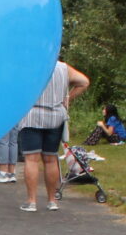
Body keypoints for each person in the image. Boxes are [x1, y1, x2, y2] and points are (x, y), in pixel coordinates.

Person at [17, 60, 89, 212]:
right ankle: (52, 200)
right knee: (51, 159)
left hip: (32, 115)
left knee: (32, 159)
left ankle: (31, 201)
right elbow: (84, 82)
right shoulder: (63, 67)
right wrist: (67, 99)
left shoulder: (29, 65)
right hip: (56, 117)